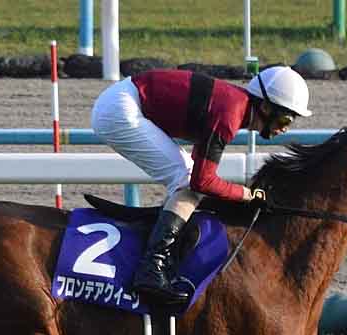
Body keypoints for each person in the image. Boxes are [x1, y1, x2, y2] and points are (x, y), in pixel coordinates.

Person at [91, 65, 312, 304]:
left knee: (186, 176)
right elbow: (202, 182)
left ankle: (160, 251)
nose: (285, 127)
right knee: (185, 178)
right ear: (266, 107)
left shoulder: (233, 106)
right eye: (285, 118)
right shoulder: (230, 113)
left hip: (123, 102)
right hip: (120, 110)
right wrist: (246, 194)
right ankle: (151, 268)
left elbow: (201, 173)